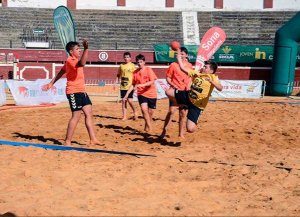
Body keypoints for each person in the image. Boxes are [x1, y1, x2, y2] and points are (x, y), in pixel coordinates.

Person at [42, 39, 101, 146]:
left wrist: (51, 83)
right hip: (73, 92)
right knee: (76, 116)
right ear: (71, 51)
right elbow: (82, 63)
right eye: (77, 49)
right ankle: (67, 141)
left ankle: (93, 139)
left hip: (82, 91)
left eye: (80, 49)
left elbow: (61, 71)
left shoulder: (71, 61)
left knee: (89, 114)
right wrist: (86, 49)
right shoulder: (70, 60)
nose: (79, 51)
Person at [166, 49, 223, 133]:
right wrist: (178, 58)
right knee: (168, 92)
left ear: (211, 71)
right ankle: (180, 103)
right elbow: (182, 68)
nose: (203, 67)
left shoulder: (213, 77)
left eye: (205, 67)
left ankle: (186, 109)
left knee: (190, 129)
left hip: (197, 105)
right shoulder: (197, 73)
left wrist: (212, 82)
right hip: (188, 96)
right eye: (204, 66)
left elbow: (220, 88)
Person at [161, 47, 193, 139]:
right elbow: (168, 78)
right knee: (171, 111)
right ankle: (165, 129)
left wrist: (189, 85)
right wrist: (173, 85)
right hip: (175, 91)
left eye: (182, 54)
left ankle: (181, 133)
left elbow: (190, 77)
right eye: (179, 54)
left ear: (186, 55)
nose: (180, 55)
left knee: (183, 113)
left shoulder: (190, 65)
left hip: (185, 92)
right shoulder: (173, 65)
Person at [123, 54, 158, 132]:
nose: (139, 64)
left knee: (150, 112)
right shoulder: (135, 73)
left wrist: (140, 85)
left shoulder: (149, 70)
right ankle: (150, 128)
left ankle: (147, 124)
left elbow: (152, 81)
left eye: (141, 62)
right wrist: (127, 94)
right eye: (138, 62)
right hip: (141, 94)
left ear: (144, 62)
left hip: (152, 94)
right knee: (144, 109)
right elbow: (133, 84)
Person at [116, 52, 137, 120]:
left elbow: (136, 75)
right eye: (125, 57)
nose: (126, 58)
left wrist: (136, 84)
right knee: (123, 100)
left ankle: (135, 111)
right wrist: (115, 82)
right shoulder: (121, 65)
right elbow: (118, 74)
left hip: (130, 86)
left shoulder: (133, 66)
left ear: (130, 58)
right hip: (123, 86)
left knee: (130, 100)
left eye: (128, 57)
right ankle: (124, 116)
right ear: (123, 58)